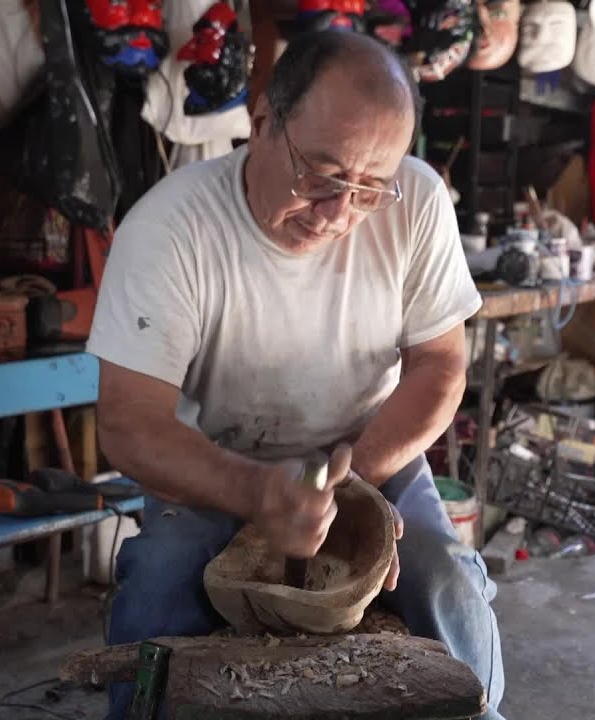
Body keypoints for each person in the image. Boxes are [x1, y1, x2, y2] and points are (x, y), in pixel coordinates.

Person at [86, 29, 505, 720]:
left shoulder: (420, 201)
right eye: (322, 175)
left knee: (445, 580)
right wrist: (256, 492)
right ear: (260, 124)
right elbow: (130, 422)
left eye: (371, 188)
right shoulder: (171, 228)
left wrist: (350, 481)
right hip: (213, 466)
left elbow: (440, 364)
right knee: (158, 593)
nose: (340, 214)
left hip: (370, 453)